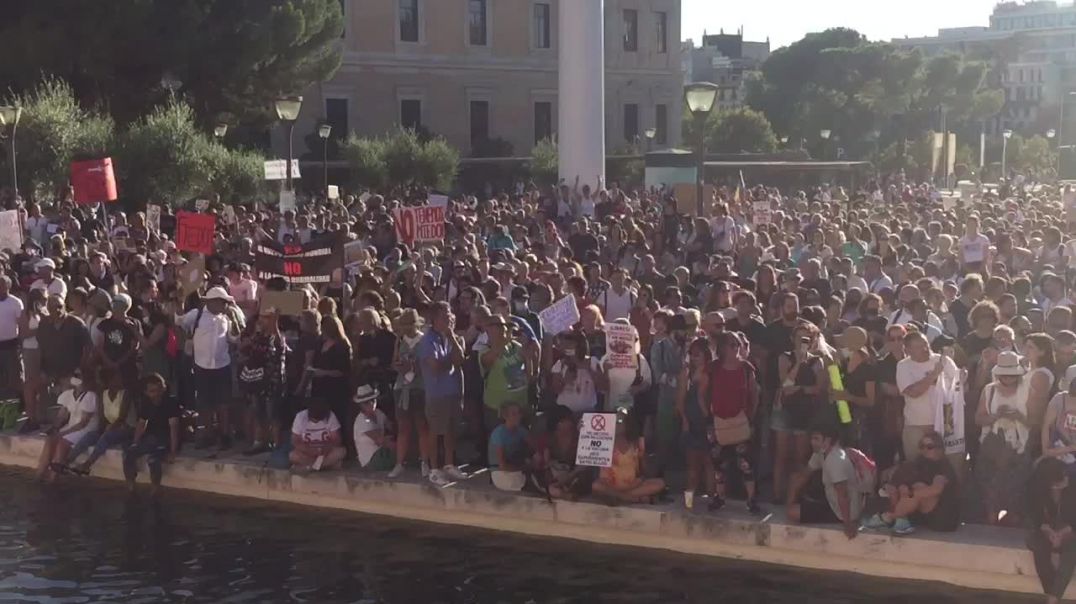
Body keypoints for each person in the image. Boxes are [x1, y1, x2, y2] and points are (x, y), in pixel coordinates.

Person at [176, 286, 242, 451]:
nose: (225, 305)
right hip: (202, 366)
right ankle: (208, 434)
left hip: (222, 365)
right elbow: (179, 321)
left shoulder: (227, 318)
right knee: (205, 403)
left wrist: (240, 339)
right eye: (222, 302)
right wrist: (180, 301)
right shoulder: (196, 315)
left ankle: (224, 435)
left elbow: (232, 338)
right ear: (212, 302)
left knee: (224, 403)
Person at [975, 350, 1034, 525]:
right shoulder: (989, 390)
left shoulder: (1027, 391)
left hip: (1019, 446)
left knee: (1016, 487)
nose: (1008, 378)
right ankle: (991, 518)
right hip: (992, 446)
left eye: (1012, 375)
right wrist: (995, 417)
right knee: (990, 486)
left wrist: (1018, 417)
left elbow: (1035, 421)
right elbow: (978, 418)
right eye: (1005, 375)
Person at [862, 431, 959, 535]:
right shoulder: (921, 462)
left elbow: (936, 489)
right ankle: (901, 521)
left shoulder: (943, 466)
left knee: (918, 489)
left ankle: (889, 517)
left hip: (945, 518)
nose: (925, 450)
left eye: (930, 447)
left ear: (939, 449)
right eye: (922, 446)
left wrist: (911, 494)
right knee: (905, 487)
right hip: (926, 514)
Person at [773, 322, 828, 501]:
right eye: (800, 338)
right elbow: (785, 384)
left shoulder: (817, 361)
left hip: (804, 412)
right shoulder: (784, 357)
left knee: (800, 456)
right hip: (784, 410)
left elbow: (818, 388)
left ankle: (795, 494)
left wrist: (800, 389)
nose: (804, 342)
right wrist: (798, 363)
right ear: (793, 339)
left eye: (808, 338)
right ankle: (776, 494)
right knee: (781, 455)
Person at [417, 301, 468, 486]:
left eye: (449, 316)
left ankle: (448, 464)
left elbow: (460, 358)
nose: (449, 319)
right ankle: (434, 469)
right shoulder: (427, 339)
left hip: (453, 391)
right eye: (444, 317)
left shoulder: (449, 337)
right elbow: (435, 366)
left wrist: (452, 337)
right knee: (435, 430)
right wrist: (451, 362)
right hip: (436, 393)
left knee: (449, 430)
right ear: (434, 318)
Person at [709, 331, 761, 513]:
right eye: (731, 345)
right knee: (719, 464)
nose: (735, 348)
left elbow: (754, 395)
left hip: (741, 420)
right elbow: (703, 391)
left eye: (737, 344)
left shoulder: (747, 368)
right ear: (722, 347)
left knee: (746, 464)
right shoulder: (713, 368)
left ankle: (751, 499)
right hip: (718, 422)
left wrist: (750, 418)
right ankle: (719, 497)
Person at [786, 421, 864, 540]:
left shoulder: (835, 460)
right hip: (832, 502)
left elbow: (843, 495)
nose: (812, 442)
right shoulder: (820, 453)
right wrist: (790, 499)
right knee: (795, 482)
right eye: (812, 438)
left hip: (842, 513)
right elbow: (803, 476)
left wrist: (847, 525)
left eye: (816, 439)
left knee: (793, 513)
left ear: (827, 441)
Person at [237, 305, 287, 455]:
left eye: (265, 319)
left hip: (273, 382)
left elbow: (279, 345)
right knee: (259, 413)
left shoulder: (278, 337)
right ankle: (259, 442)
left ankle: (276, 445)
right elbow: (243, 350)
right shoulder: (257, 338)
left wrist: (274, 323)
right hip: (256, 382)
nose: (262, 322)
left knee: (273, 415)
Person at [389, 308, 432, 478]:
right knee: (403, 427)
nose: (405, 328)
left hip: (420, 387)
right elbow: (393, 362)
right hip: (402, 388)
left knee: (422, 426)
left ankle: (425, 462)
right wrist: (400, 366)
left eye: (408, 324)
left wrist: (414, 367)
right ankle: (399, 463)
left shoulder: (424, 341)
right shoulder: (399, 341)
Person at [1027, 457, 1076, 604]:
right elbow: (1034, 518)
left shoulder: (1073, 487)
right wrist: (1047, 530)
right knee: (1039, 549)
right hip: (1047, 531)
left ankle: (1054, 597)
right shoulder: (1038, 492)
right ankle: (1051, 591)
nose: (1066, 478)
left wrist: (1064, 532)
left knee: (1071, 552)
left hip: (1070, 530)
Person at [591, 408, 666, 504]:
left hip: (632, 485)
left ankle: (621, 497)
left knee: (660, 483)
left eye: (620, 421)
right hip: (609, 485)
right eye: (614, 421)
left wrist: (643, 458)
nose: (617, 424)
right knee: (596, 485)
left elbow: (644, 470)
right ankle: (629, 498)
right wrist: (583, 428)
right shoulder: (602, 440)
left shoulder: (637, 442)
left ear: (628, 424)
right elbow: (588, 442)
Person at [69, 369, 135, 476]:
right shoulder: (103, 394)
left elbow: (122, 418)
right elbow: (102, 417)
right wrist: (101, 431)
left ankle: (87, 465)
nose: (119, 380)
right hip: (112, 427)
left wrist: (108, 430)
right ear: (109, 381)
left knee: (106, 436)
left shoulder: (125, 394)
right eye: (116, 378)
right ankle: (67, 461)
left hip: (127, 429)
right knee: (90, 436)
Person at [124, 373, 181, 496]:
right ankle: (131, 487)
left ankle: (155, 489)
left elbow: (174, 428)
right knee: (129, 454)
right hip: (151, 437)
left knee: (153, 460)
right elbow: (141, 424)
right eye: (152, 391)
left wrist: (173, 451)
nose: (157, 394)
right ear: (146, 393)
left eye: (159, 389)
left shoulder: (171, 402)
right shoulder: (146, 403)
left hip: (165, 438)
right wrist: (135, 443)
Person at [36, 372, 98, 483]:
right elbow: (61, 416)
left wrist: (62, 433)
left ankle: (53, 477)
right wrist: (54, 428)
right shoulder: (68, 394)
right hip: (72, 427)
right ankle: (40, 473)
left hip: (86, 429)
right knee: (50, 439)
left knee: (62, 443)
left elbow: (83, 423)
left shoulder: (90, 396)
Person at [677, 337, 716, 510]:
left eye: (697, 355)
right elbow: (679, 402)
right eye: (691, 354)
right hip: (692, 422)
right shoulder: (686, 374)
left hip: (708, 422)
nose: (694, 358)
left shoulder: (713, 373)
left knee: (710, 463)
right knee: (692, 466)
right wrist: (685, 421)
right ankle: (689, 502)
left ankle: (712, 499)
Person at [289, 397, 347, 473]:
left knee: (341, 451)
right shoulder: (300, 417)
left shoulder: (330, 416)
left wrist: (325, 449)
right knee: (293, 456)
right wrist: (309, 450)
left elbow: (337, 439)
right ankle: (326, 466)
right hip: (308, 453)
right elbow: (295, 441)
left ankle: (310, 468)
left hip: (325, 454)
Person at [488, 402, 531, 491]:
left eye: (519, 413)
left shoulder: (521, 431)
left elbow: (534, 445)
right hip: (501, 473)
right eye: (514, 414)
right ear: (505, 416)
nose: (518, 416)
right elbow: (502, 465)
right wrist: (525, 467)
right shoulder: (499, 434)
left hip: (518, 470)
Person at [353, 385, 396, 472]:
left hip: (383, 452)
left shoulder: (379, 413)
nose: (371, 404)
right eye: (366, 402)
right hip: (370, 459)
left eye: (372, 400)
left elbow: (391, 427)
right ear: (361, 405)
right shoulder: (361, 420)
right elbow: (379, 440)